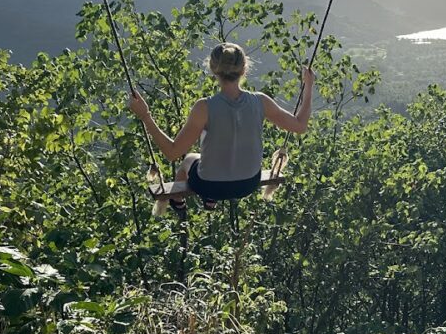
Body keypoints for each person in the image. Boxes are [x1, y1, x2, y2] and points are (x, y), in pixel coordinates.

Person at [128, 42, 314, 213]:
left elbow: (172, 152)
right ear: (244, 69)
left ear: (213, 69)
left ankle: (178, 201)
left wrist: (145, 115)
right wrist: (309, 87)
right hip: (247, 185)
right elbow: (300, 126)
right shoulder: (260, 101)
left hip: (209, 185)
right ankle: (208, 200)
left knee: (190, 159)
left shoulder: (204, 107)